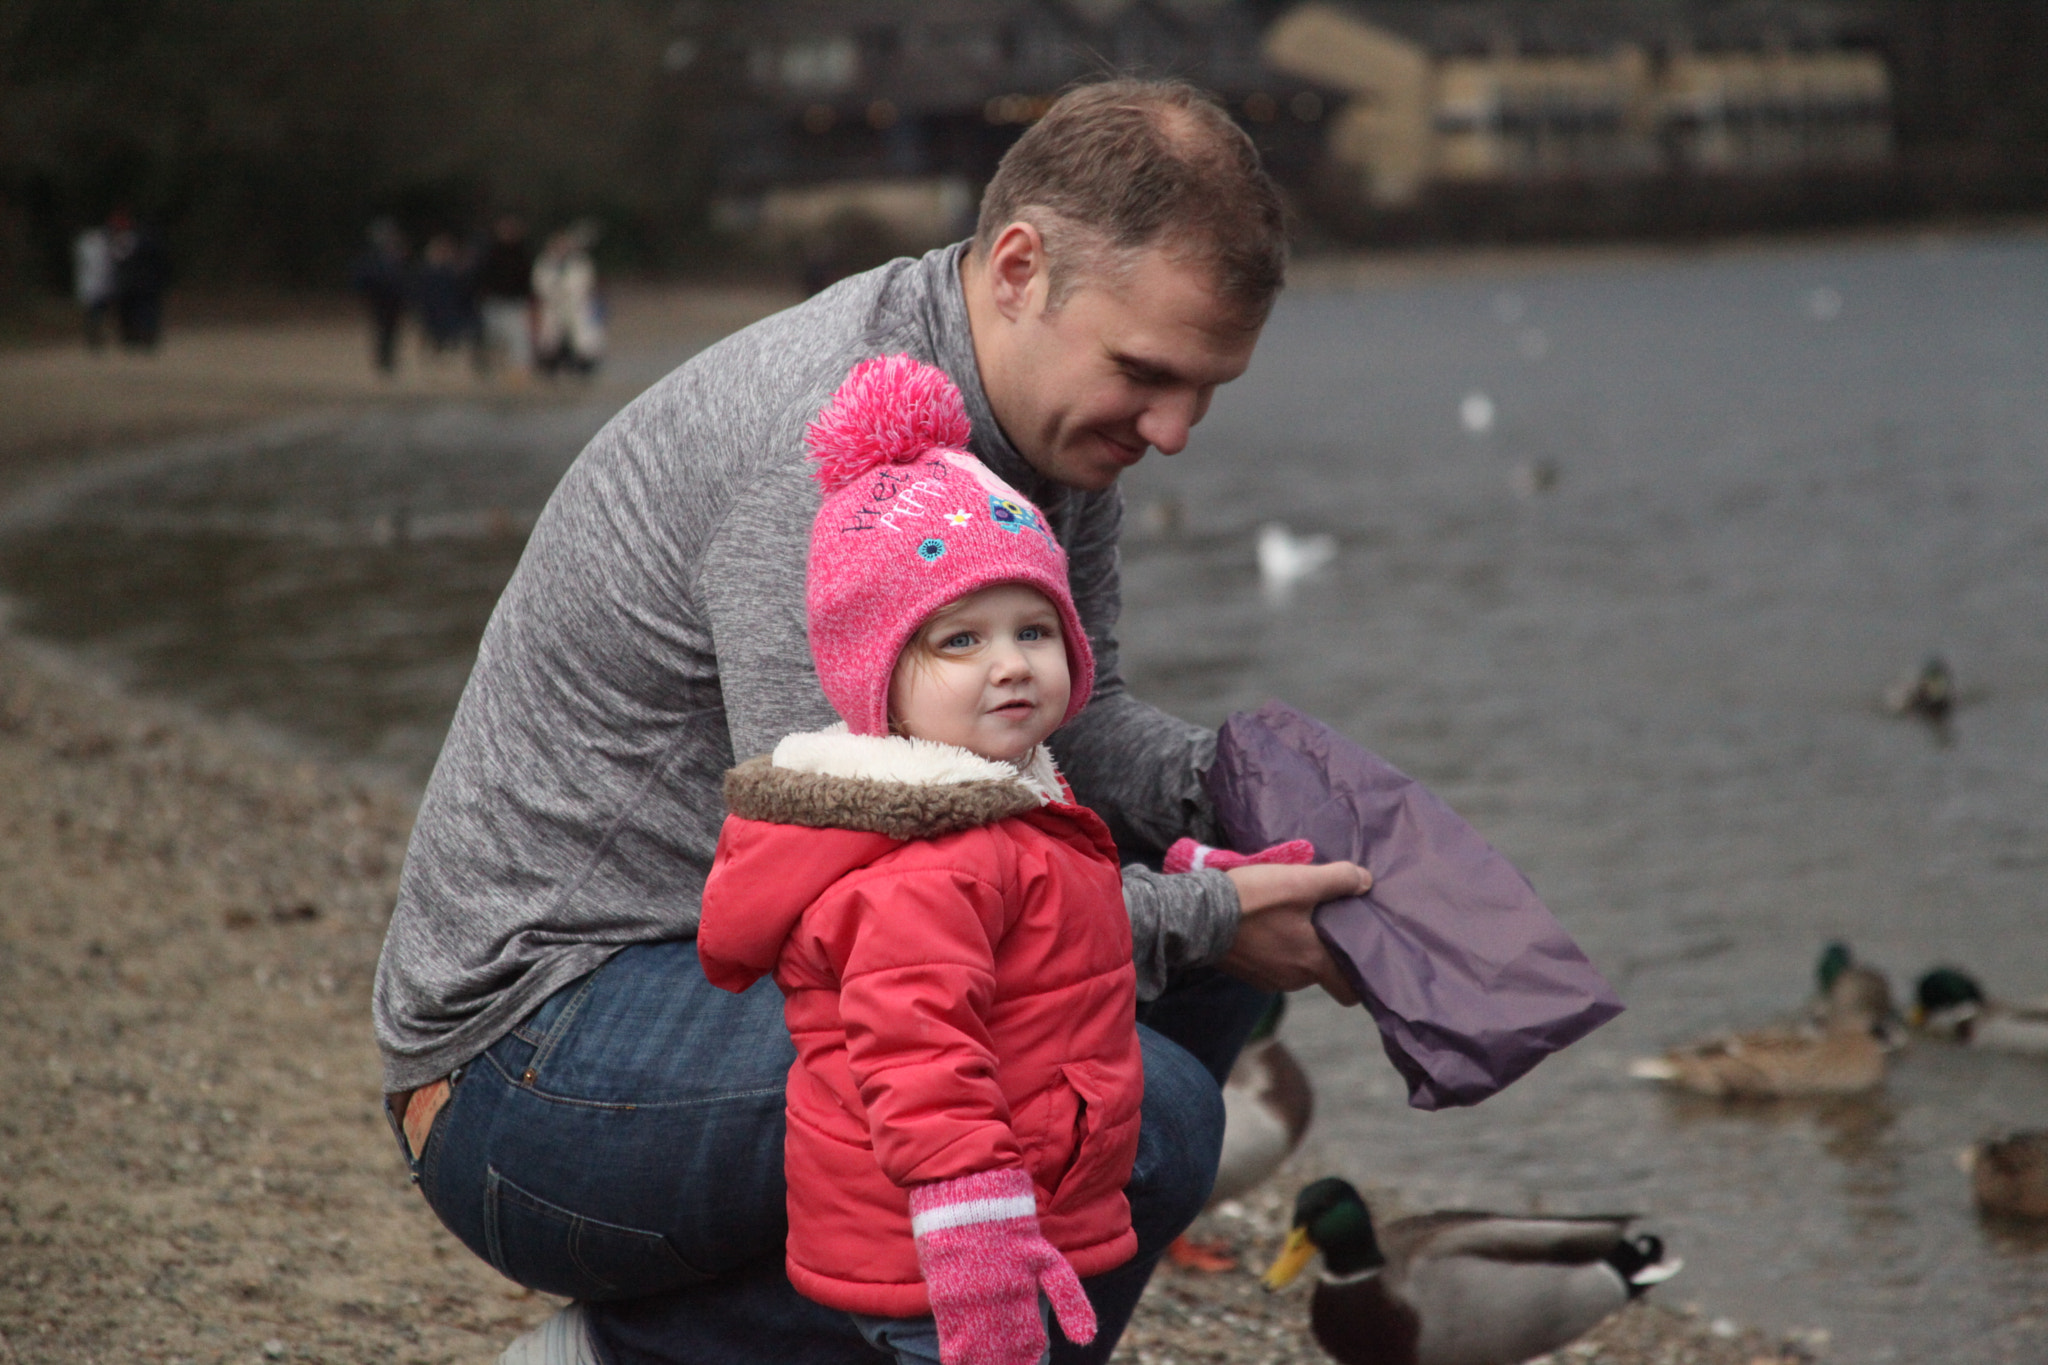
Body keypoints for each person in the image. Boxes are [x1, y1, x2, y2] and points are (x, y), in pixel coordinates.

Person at [373, 78, 1369, 1365]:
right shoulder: (827, 452)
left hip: (720, 978)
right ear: (1018, 269)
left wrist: (1254, 797)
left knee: (1204, 978)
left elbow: (1087, 721)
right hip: (527, 1072)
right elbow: (901, 892)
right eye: (1145, 375)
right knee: (1153, 1109)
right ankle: (637, 1357)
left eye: (1205, 391)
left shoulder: (1040, 427)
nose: (1172, 432)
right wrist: (1217, 916)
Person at [699, 353, 1155, 1364]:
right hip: (944, 1246)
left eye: (1033, 629)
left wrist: (1199, 864)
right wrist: (974, 1236)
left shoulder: (1006, 796)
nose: (1009, 663)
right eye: (959, 641)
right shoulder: (926, 859)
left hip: (994, 1212)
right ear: (879, 680)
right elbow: (919, 1061)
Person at [532, 221, 605, 377]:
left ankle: (582, 370)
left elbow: (586, 284)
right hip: (553, 309)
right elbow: (540, 285)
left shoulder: (580, 263)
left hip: (577, 308)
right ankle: (552, 370)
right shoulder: (545, 263)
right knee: (551, 342)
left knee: (584, 342)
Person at [473, 213, 535, 377]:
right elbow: (481, 277)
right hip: (494, 302)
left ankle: (519, 373)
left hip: (515, 303)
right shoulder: (490, 252)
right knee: (491, 338)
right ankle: (490, 372)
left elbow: (528, 279)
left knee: (519, 338)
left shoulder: (523, 253)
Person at [351, 218, 411, 375]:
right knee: (382, 331)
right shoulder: (372, 258)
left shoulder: (397, 256)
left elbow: (403, 278)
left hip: (395, 301)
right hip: (379, 300)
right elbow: (363, 278)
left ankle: (389, 359)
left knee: (392, 331)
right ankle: (383, 360)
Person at [73, 221, 114, 350]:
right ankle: (94, 337)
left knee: (99, 313)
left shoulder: (101, 244)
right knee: (93, 313)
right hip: (91, 286)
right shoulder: (85, 244)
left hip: (100, 285)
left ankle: (98, 336)